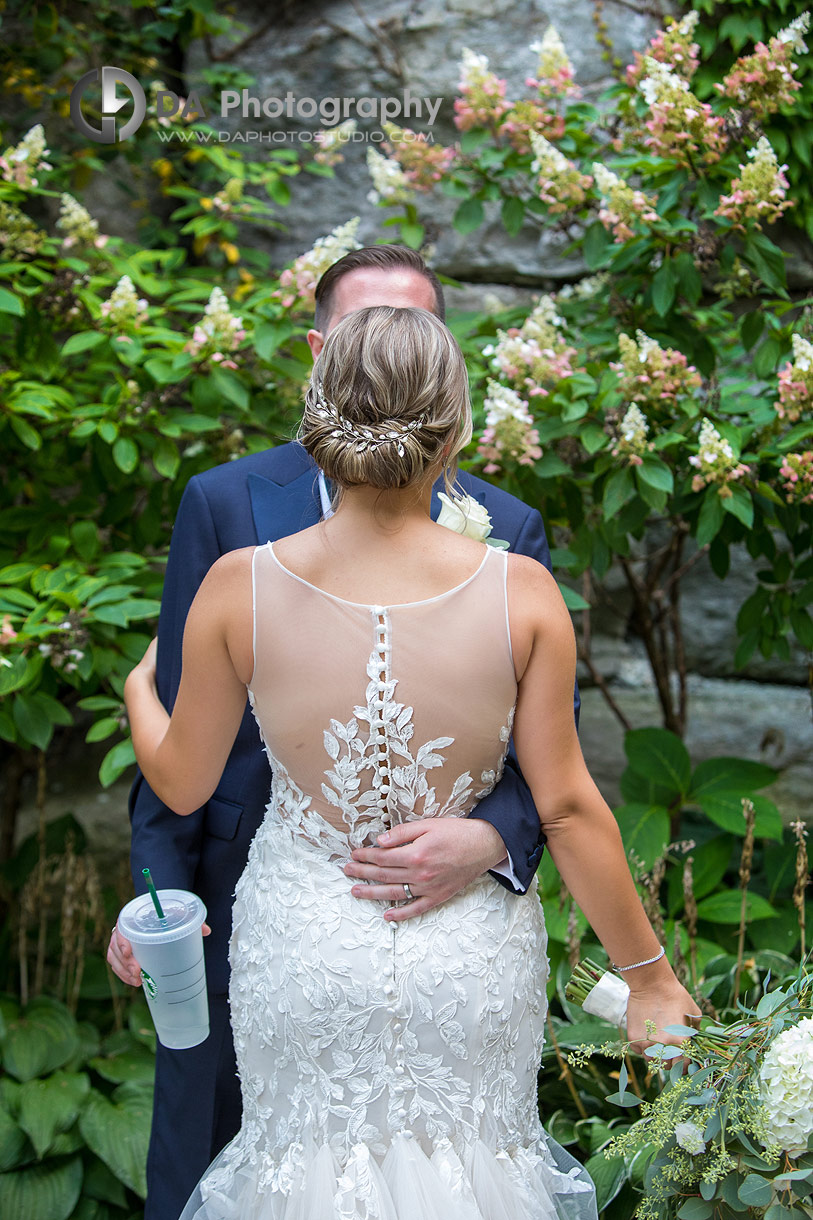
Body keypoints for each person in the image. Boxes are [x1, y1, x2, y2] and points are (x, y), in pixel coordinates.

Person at [124, 304, 699, 1220]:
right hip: (465, 963)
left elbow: (183, 781)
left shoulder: (241, 585)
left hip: (303, 954)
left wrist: (136, 696)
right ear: (455, 433)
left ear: (314, 420)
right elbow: (567, 808)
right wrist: (649, 979)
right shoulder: (522, 593)